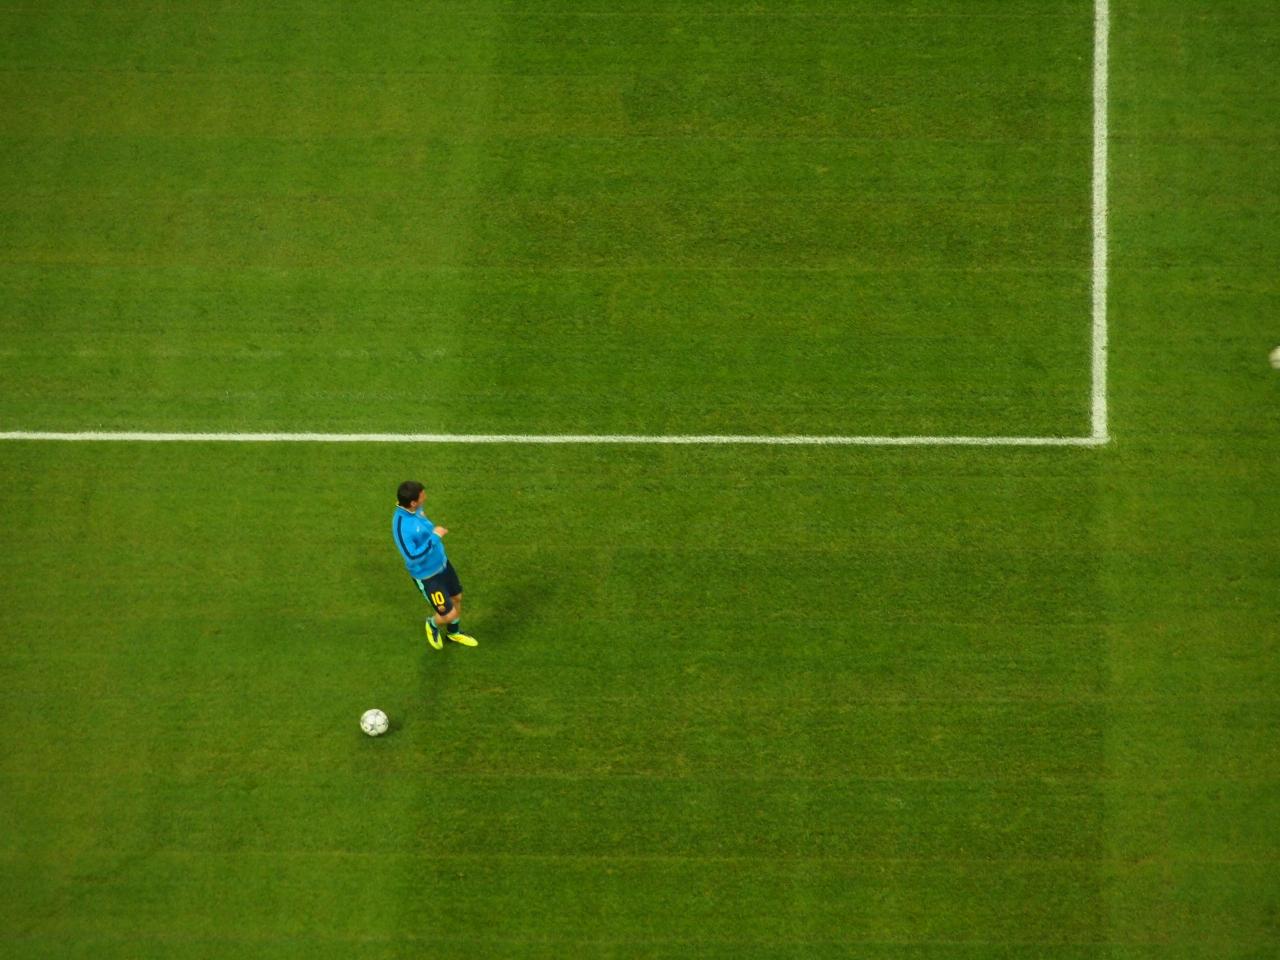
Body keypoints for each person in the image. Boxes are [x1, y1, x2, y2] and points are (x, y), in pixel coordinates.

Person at [392, 481, 477, 649]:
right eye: (422, 495)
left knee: (457, 598)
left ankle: (453, 633)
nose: (425, 497)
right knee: (448, 614)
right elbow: (412, 557)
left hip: (442, 563)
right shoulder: (402, 527)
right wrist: (435, 537)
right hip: (428, 576)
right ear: (413, 502)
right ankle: (432, 624)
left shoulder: (414, 509)